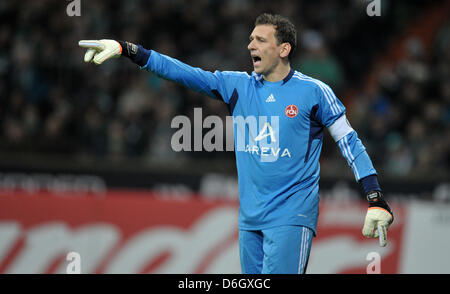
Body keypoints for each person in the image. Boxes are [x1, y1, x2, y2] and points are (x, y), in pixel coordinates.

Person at [79, 13, 393, 274]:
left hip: (291, 217)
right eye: (250, 39)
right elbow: (184, 73)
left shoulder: (314, 92)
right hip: (250, 220)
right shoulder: (237, 85)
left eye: (260, 40)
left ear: (283, 49)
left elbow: (350, 141)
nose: (250, 45)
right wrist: (127, 50)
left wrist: (375, 197)